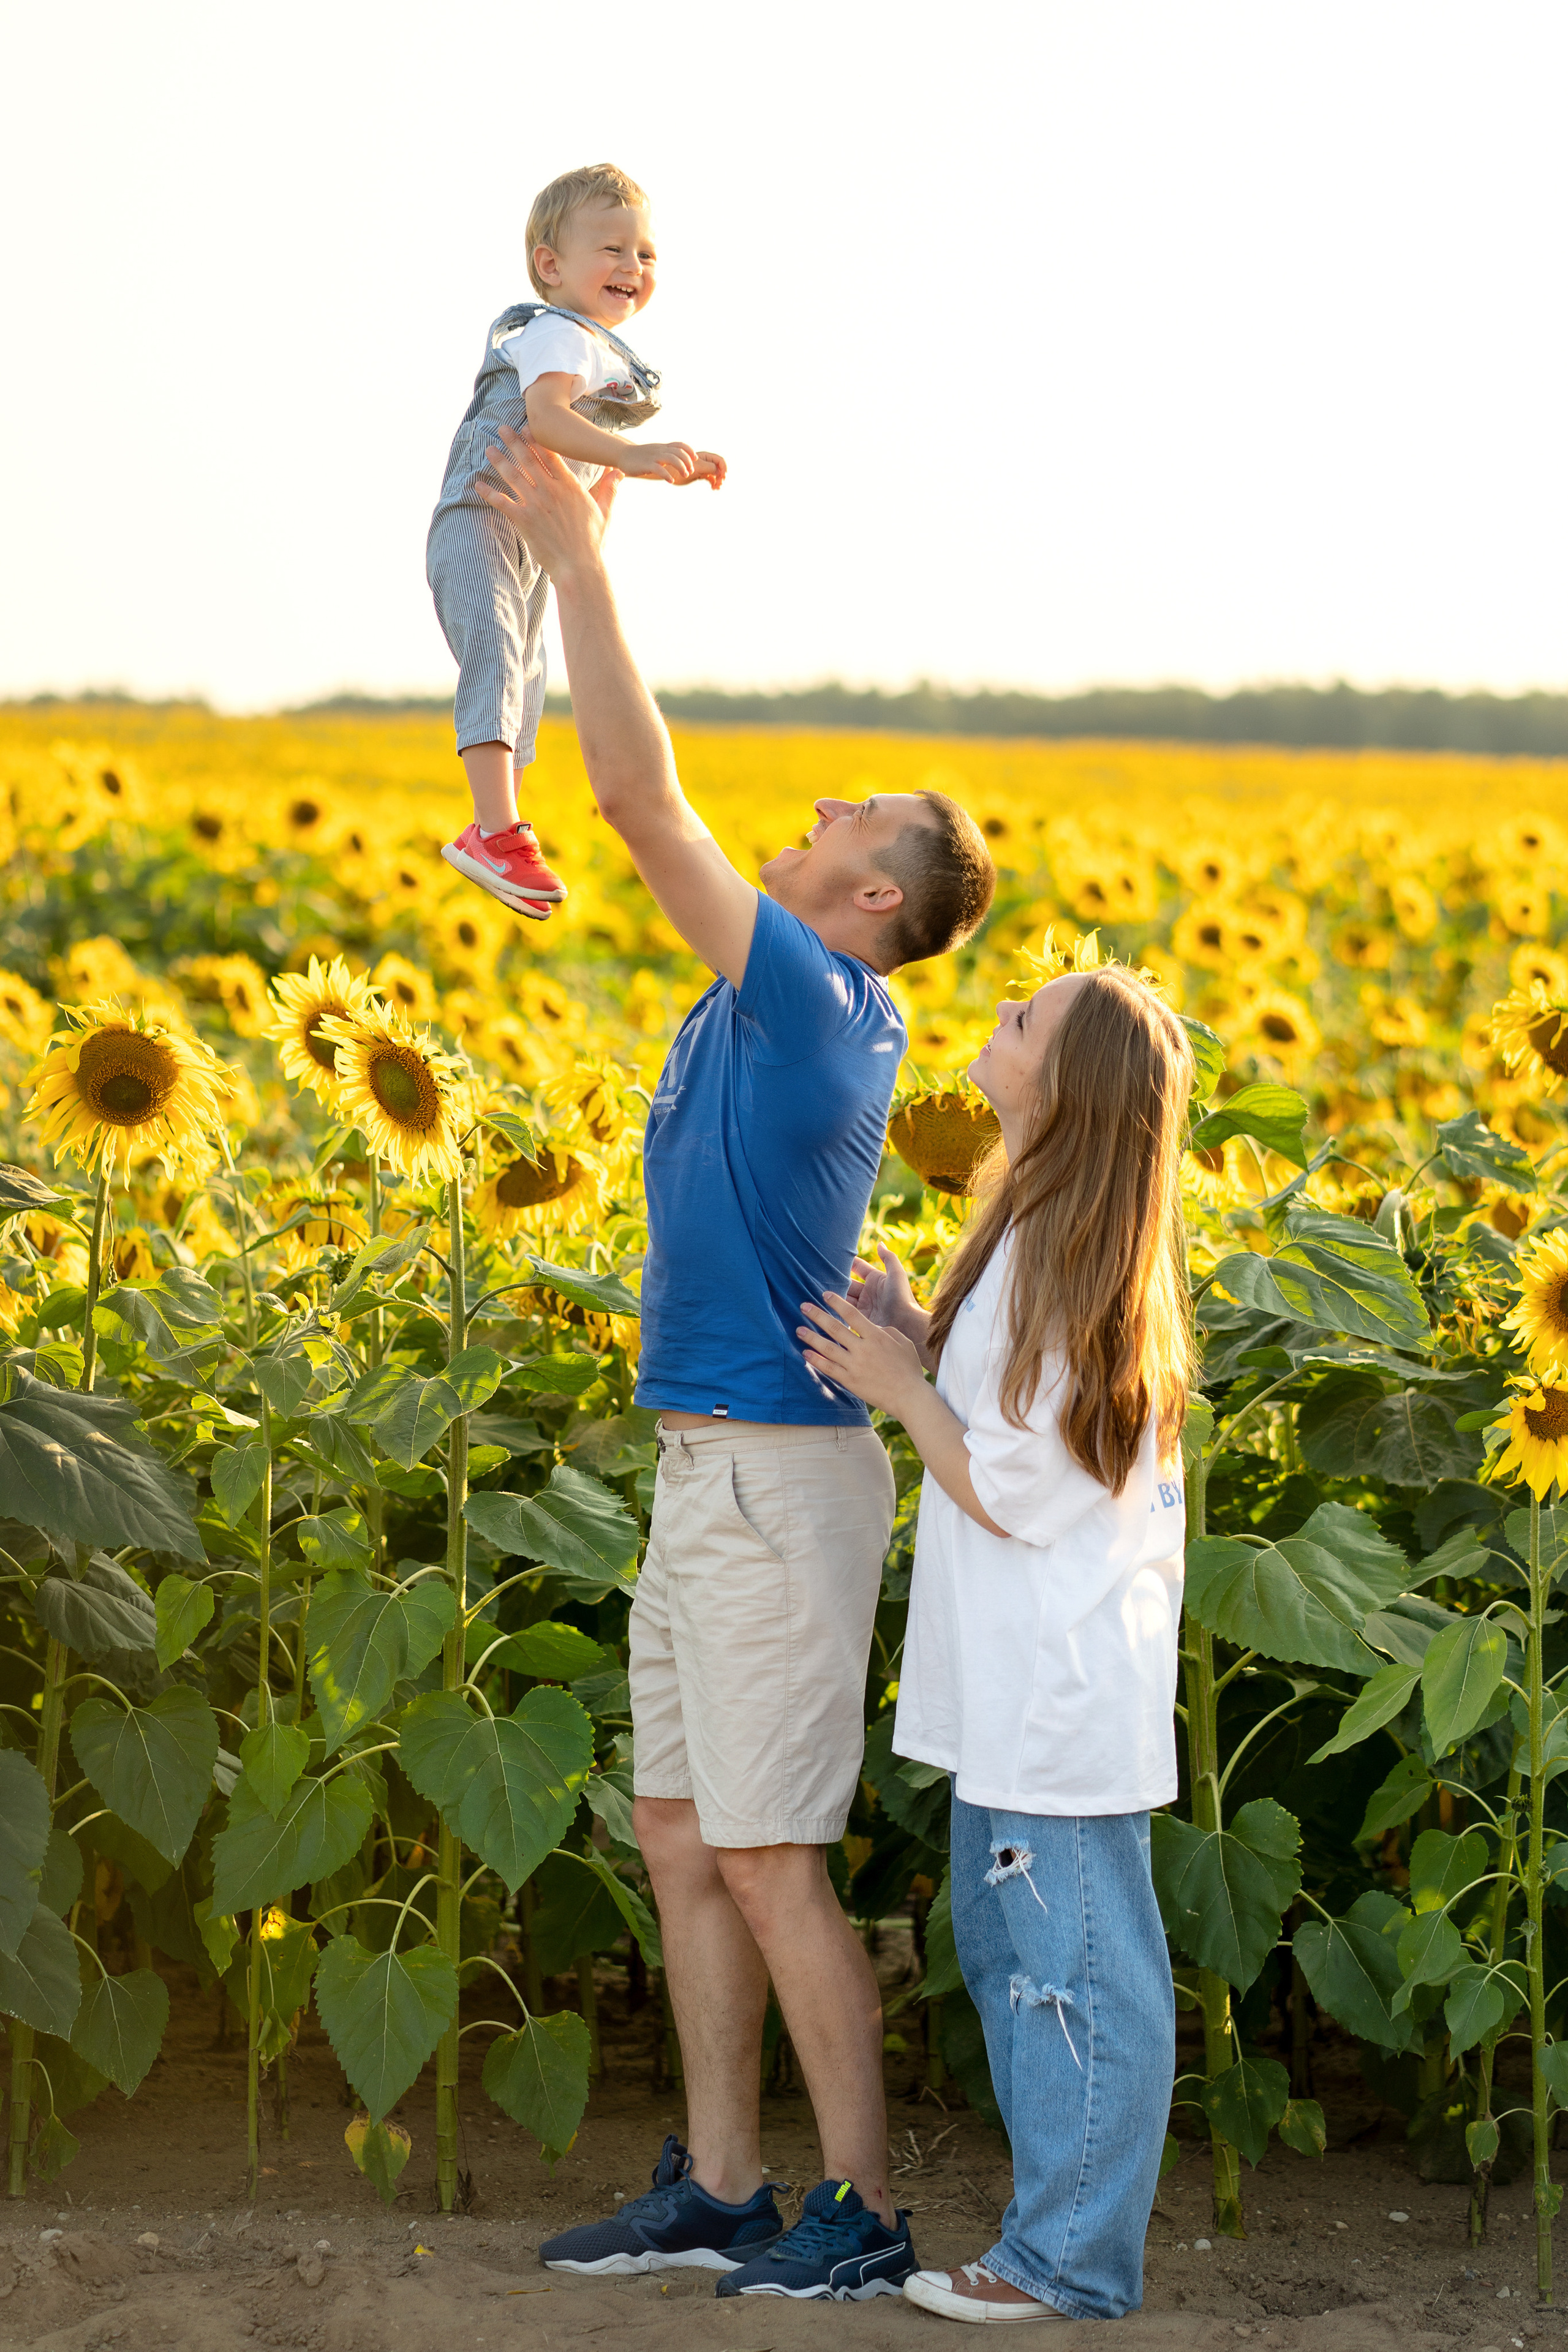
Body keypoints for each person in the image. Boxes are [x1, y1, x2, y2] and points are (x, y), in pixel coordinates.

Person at [469, 423, 996, 2301]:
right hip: (706, 1469)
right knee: (687, 1839)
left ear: (875, 901)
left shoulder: (820, 989)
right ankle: (716, 2181)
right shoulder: (754, 996)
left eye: (857, 817)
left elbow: (634, 795)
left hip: (778, 1480)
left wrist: (580, 562)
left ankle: (857, 2209)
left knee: (772, 1857)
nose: (822, 809)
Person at [798, 963, 1192, 2326]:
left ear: (1066, 1088)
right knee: (1035, 1971)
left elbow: (1012, 1486)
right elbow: (1012, 1432)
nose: (1004, 1010)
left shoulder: (1067, 1267)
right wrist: (922, 1338)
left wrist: (904, 1391)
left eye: (1030, 1014)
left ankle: (1063, 2263)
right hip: (1022, 1693)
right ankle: (1051, 2246)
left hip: (1058, 1699)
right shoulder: (1036, 1240)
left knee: (1073, 1986)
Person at [427, 160, 725, 921]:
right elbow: (550, 419)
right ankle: (493, 831)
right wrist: (625, 454)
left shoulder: (591, 345)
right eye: (613, 249)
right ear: (550, 267)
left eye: (646, 254)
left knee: (525, 668)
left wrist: (608, 489)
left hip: (521, 525)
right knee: (497, 652)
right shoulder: (556, 333)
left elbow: (570, 446)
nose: (633, 266)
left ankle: (501, 828)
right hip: (482, 512)